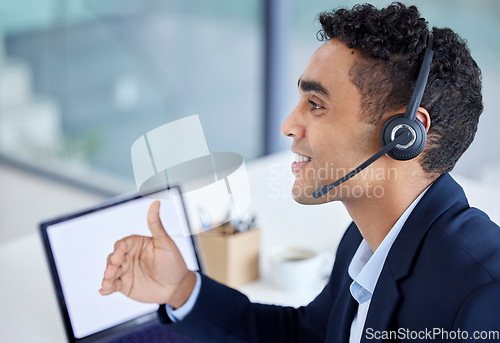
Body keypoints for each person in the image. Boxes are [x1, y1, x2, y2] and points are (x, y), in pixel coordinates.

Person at [100, 3, 500, 342]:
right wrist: (181, 288)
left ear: (403, 135)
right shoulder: (364, 240)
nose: (289, 124)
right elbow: (308, 335)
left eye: (316, 104)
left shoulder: (483, 294)